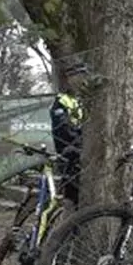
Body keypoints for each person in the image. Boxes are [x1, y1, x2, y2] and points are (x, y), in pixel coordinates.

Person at [50, 64, 90, 206]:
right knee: (72, 198)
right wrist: (79, 143)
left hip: (83, 154)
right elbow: (64, 131)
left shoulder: (81, 100)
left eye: (83, 76)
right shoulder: (61, 101)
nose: (81, 81)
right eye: (78, 77)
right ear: (69, 79)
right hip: (69, 155)